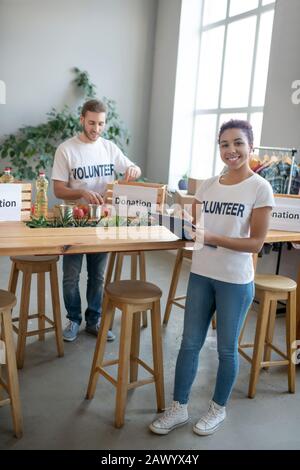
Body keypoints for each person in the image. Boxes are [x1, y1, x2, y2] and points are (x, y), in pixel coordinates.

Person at [149, 119, 275, 436]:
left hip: (235, 281)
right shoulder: (207, 185)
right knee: (189, 343)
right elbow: (196, 231)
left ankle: (217, 409)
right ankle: (178, 408)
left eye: (237, 143)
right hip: (201, 274)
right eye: (224, 144)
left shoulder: (260, 188)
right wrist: (175, 223)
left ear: (251, 147)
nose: (231, 150)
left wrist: (213, 237)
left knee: (226, 350)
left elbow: (256, 244)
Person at [52, 99, 141, 342]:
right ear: (82, 120)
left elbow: (133, 168)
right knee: (71, 275)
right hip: (74, 221)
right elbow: (58, 189)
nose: (96, 129)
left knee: (98, 276)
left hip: (103, 221)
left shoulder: (110, 148)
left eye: (101, 124)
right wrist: (80, 192)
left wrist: (133, 170)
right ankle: (73, 319)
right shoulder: (66, 149)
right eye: (92, 123)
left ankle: (94, 320)